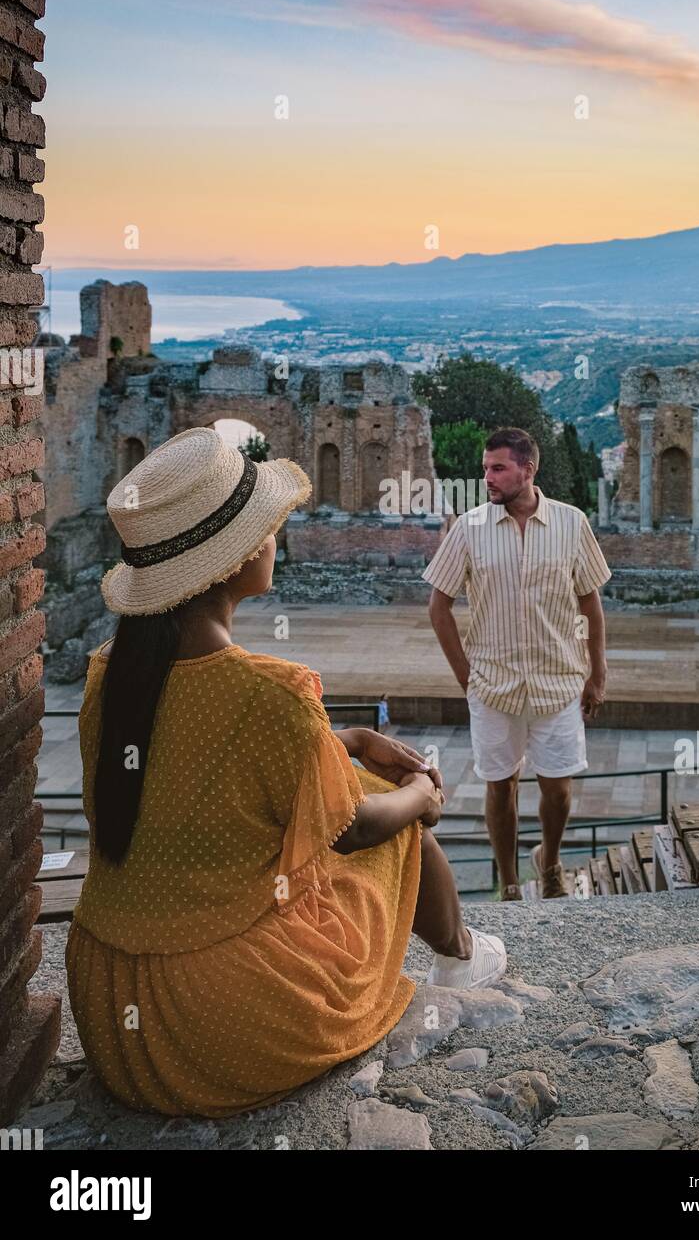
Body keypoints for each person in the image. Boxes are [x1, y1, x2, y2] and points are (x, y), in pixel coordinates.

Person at [65, 426, 507, 1119]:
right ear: (234, 557)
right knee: (383, 808)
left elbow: (197, 751)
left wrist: (352, 737)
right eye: (264, 527)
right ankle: (460, 956)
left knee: (343, 780)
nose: (276, 537)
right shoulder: (271, 691)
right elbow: (355, 831)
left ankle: (461, 950)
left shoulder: (108, 676)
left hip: (112, 1011)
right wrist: (420, 795)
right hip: (222, 1018)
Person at [423, 427, 611, 900]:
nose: (487, 477)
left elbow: (590, 602)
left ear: (529, 470)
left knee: (559, 790)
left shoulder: (571, 524)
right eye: (485, 468)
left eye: (498, 468)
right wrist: (465, 674)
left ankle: (549, 862)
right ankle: (508, 882)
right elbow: (437, 606)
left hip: (558, 682)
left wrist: (598, 672)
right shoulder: (469, 529)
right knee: (500, 789)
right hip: (493, 687)